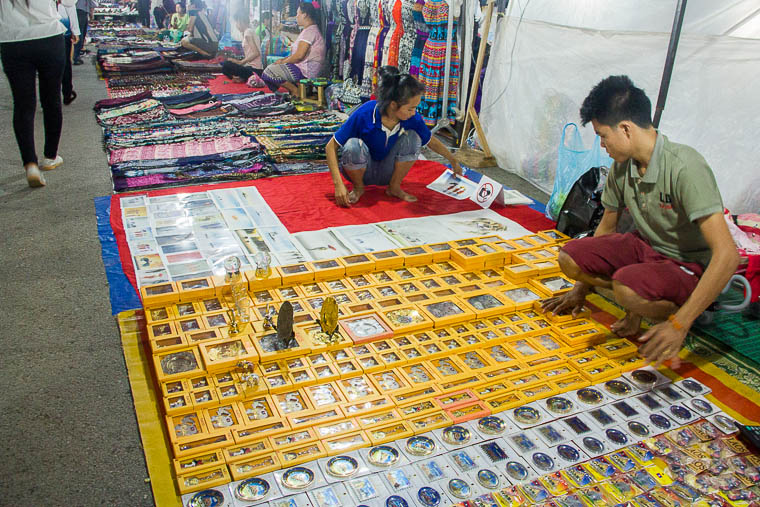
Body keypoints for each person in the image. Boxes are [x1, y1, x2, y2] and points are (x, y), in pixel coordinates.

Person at [541, 75, 740, 368]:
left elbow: (728, 255)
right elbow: (607, 226)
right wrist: (580, 286)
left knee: (626, 289)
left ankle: (683, 309)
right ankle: (636, 298)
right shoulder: (622, 167)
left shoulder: (685, 167)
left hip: (685, 262)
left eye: (603, 135)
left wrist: (679, 325)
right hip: (644, 247)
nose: (602, 144)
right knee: (570, 257)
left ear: (625, 129)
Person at [326, 66, 463, 206]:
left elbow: (430, 141)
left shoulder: (412, 118)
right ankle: (359, 188)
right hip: (362, 170)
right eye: (410, 108)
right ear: (393, 105)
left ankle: (394, 187)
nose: (414, 112)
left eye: (415, 108)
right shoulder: (365, 113)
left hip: (387, 172)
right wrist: (338, 184)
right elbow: (330, 147)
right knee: (353, 145)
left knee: (413, 138)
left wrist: (453, 160)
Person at [1, 0, 72, 187]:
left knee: (23, 105)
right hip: (48, 37)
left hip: (12, 41)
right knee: (51, 100)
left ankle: (30, 164)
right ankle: (50, 157)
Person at [260, 1, 325, 95]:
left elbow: (299, 56)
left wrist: (282, 61)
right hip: (304, 69)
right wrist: (283, 60)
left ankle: (295, 90)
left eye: (298, 14)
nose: (296, 16)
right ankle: (293, 90)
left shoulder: (310, 32)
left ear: (305, 15)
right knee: (273, 68)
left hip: (306, 72)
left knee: (269, 71)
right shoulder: (309, 30)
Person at [221, 8, 262, 82]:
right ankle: (241, 78)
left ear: (240, 21)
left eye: (236, 22)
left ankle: (241, 78)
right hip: (251, 68)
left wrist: (241, 62)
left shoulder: (248, 33)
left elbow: (256, 53)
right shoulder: (249, 32)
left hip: (254, 70)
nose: (236, 25)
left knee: (226, 65)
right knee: (226, 64)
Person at [57, 0, 80, 105]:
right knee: (65, 62)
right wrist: (75, 31)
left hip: (39, 31)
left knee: (47, 67)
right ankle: (67, 92)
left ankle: (52, 97)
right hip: (62, 29)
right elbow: (70, 6)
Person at [73, 0, 95, 65]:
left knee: (81, 33)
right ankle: (76, 57)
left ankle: (77, 54)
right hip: (80, 10)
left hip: (81, 10)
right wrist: (91, 14)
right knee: (80, 34)